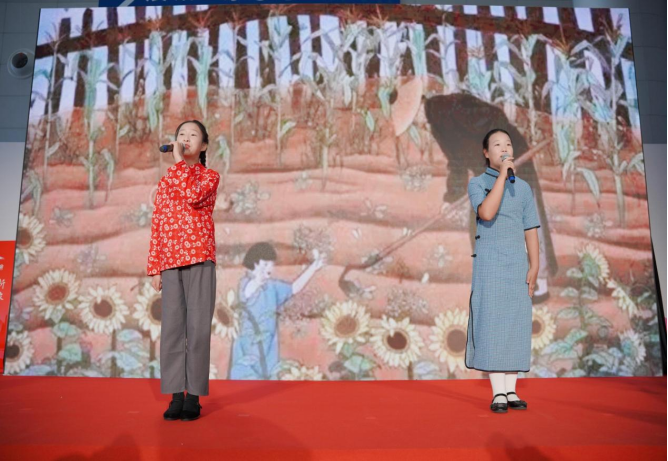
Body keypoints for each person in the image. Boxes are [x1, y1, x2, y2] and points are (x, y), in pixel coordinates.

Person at [147, 120, 220, 421]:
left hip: (200, 258)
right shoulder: (166, 181)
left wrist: (179, 161)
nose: (185, 139)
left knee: (198, 330)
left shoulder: (209, 177)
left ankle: (194, 397)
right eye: (181, 135)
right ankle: (176, 395)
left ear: (203, 145)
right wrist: (155, 267)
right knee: (173, 330)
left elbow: (192, 195)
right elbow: (158, 223)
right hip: (170, 262)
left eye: (192, 135)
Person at [466, 128, 540, 413]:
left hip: (516, 265)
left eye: (508, 144)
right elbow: (486, 212)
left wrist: (535, 265)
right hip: (490, 265)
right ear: (486, 153)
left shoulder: (523, 188)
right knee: (494, 324)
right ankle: (497, 392)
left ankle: (511, 390)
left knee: (516, 323)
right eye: (497, 145)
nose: (504, 148)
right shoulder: (477, 183)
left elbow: (530, 229)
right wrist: (501, 177)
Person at [228, 242, 326, 379]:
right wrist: (258, 278)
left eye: (271, 264)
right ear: (254, 263)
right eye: (265, 264)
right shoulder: (245, 283)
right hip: (248, 345)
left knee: (267, 380)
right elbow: (248, 292)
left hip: (269, 347)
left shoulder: (272, 287)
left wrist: (313, 268)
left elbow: (293, 288)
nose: (269, 268)